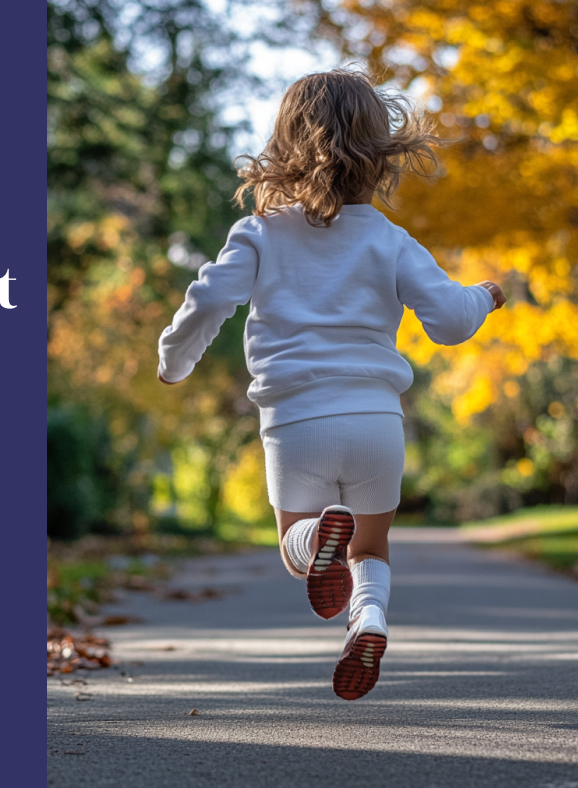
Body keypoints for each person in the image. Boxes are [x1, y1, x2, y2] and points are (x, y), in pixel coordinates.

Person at [156, 68, 505, 700]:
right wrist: (485, 295)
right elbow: (450, 322)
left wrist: (175, 359)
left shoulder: (260, 234)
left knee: (298, 548)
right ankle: (368, 619)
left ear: (285, 145)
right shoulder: (390, 240)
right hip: (375, 421)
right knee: (370, 548)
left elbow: (209, 301)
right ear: (379, 153)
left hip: (296, 421)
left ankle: (318, 534)